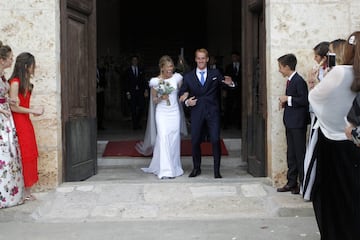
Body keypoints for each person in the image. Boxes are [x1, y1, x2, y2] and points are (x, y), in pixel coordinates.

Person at [309, 32, 360, 239]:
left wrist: (316, 81)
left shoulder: (340, 72)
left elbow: (316, 99)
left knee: (336, 199)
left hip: (337, 143)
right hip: (353, 141)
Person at [178, 48, 235, 179]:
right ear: (195, 59)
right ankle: (196, 168)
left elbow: (226, 85)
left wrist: (230, 83)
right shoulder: (188, 76)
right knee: (195, 141)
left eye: (203, 58)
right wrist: (187, 102)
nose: (201, 61)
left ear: (207, 59)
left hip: (213, 113)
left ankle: (217, 171)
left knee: (215, 140)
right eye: (198, 58)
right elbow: (182, 94)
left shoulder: (215, 73)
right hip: (197, 113)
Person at [138, 55, 187, 179]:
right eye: (168, 67)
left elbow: (182, 91)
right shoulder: (155, 81)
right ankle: (166, 170)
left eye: (171, 66)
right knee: (164, 137)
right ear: (162, 67)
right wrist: (161, 98)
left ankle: (174, 167)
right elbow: (154, 100)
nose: (170, 69)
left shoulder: (177, 78)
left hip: (174, 112)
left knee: (174, 139)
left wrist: (184, 94)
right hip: (162, 113)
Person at [9, 52, 44, 201]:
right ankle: (23, 191)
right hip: (19, 121)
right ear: (25, 66)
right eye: (32, 65)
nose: (33, 68)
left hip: (25, 120)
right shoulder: (15, 82)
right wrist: (33, 110)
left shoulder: (25, 83)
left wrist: (32, 111)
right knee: (23, 153)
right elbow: (14, 108)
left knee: (30, 152)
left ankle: (27, 191)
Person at [277, 53, 309, 195]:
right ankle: (291, 183)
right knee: (291, 154)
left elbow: (303, 100)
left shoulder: (299, 81)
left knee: (299, 154)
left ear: (287, 67)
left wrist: (287, 98)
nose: (279, 70)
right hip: (290, 122)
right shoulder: (290, 80)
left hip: (297, 123)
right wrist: (287, 103)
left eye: (280, 67)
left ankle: (303, 184)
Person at [0, 41, 25, 208]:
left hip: (6, 116)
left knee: (9, 154)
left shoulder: (2, 76)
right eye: (10, 58)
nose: (12, 60)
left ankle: (10, 193)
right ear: (2, 60)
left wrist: (9, 100)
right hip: (1, 117)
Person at [124, 55, 148, 130]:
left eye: (136, 60)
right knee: (133, 108)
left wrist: (146, 90)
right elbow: (126, 82)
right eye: (133, 60)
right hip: (132, 92)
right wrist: (127, 92)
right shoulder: (128, 70)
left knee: (142, 106)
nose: (135, 61)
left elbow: (144, 80)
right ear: (131, 61)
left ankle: (137, 121)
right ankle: (135, 125)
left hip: (140, 92)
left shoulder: (141, 69)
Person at [223, 51, 241, 130]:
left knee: (239, 107)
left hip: (240, 91)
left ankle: (239, 124)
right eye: (232, 57)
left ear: (238, 57)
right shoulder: (228, 67)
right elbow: (225, 78)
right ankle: (226, 124)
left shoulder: (243, 66)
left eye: (235, 56)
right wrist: (225, 90)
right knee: (228, 107)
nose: (233, 58)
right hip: (230, 90)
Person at [96, 58, 107, 130]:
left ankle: (100, 125)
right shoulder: (91, 70)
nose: (101, 64)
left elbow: (105, 81)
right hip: (94, 94)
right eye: (100, 62)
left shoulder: (102, 71)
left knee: (101, 109)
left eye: (102, 62)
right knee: (95, 110)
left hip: (100, 92)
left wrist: (102, 87)